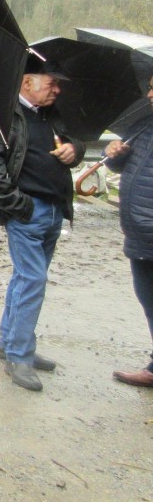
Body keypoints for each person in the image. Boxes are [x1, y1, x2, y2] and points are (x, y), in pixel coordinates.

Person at [0, 54, 84, 392]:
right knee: (33, 278)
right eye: (51, 83)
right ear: (27, 83)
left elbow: (74, 141)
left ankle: (9, 344)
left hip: (54, 210)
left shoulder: (52, 116)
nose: (57, 90)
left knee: (26, 278)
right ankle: (20, 356)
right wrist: (20, 207)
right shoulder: (0, 115)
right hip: (27, 212)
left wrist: (73, 151)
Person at [105, 75, 153, 386]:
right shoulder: (144, 123)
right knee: (147, 296)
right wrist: (113, 154)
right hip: (138, 231)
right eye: (150, 86)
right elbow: (118, 164)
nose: (150, 94)